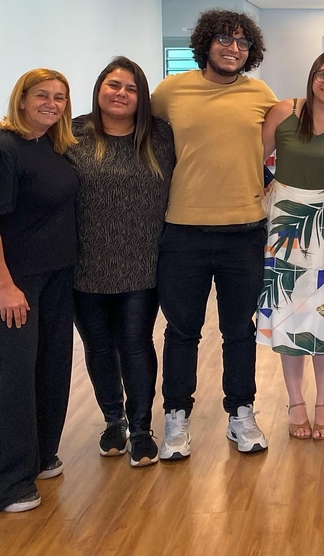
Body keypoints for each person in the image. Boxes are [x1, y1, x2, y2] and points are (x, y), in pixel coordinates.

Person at [151, 9, 278, 459]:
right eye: (224, 39)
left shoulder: (260, 93)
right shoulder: (170, 92)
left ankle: (241, 412)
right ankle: (176, 415)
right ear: (205, 43)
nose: (233, 48)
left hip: (244, 232)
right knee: (182, 331)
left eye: (242, 43)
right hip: (183, 232)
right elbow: (132, 128)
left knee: (239, 330)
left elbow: (290, 133)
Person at [66, 57, 176, 467]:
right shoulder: (72, 134)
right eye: (113, 85)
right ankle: (114, 420)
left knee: (135, 344)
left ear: (141, 97)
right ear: (99, 89)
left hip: (142, 266)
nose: (121, 94)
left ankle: (142, 427)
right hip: (85, 267)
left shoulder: (160, 137)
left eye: (131, 88)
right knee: (98, 347)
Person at [258, 49, 324, 441]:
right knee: (289, 313)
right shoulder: (284, 111)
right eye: (323, 74)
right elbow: (253, 159)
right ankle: (296, 401)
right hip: (285, 222)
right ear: (312, 76)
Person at [0, 69, 78, 512]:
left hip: (59, 276)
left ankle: (41, 454)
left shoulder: (53, 145)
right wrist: (5, 285)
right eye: (42, 96)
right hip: (18, 281)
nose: (51, 104)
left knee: (52, 366)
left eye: (60, 97)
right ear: (22, 100)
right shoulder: (5, 147)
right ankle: (11, 481)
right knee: (15, 376)